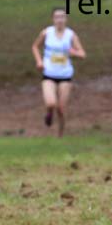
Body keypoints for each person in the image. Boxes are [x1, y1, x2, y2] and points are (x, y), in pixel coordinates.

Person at [31, 8, 87, 138]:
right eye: (57, 17)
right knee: (51, 103)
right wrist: (39, 61)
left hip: (65, 75)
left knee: (61, 108)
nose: (60, 20)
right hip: (49, 74)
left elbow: (82, 54)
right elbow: (35, 46)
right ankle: (49, 113)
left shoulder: (71, 35)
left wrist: (74, 53)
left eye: (62, 17)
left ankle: (60, 136)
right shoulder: (47, 33)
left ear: (66, 19)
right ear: (53, 19)